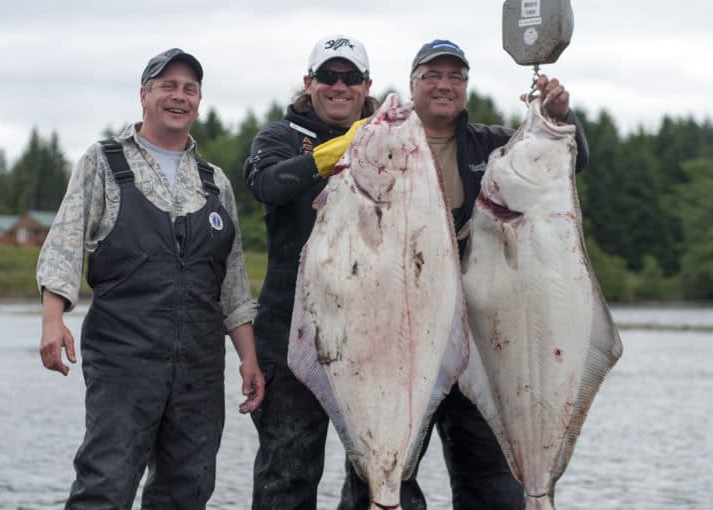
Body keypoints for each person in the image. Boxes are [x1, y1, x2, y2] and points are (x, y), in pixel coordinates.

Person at [341, 39, 591, 509]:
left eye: (456, 76)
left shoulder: (495, 143)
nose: (444, 85)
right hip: (404, 336)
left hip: (484, 337)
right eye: (432, 75)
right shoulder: (385, 139)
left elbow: (570, 161)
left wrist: (560, 117)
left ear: (466, 87)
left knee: (491, 483)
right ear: (412, 84)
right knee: (379, 475)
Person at [37, 47, 265, 509]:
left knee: (187, 491)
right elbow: (64, 242)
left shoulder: (214, 181)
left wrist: (249, 357)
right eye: (168, 86)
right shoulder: (103, 161)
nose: (179, 97)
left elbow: (233, 281)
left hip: (200, 370)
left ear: (198, 101)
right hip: (124, 360)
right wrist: (52, 318)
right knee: (105, 483)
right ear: (144, 95)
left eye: (189, 89)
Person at [243, 34, 427, 510]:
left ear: (366, 86)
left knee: (382, 473)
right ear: (309, 83)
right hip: (290, 332)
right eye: (328, 76)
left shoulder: (391, 139)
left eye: (350, 78)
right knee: (288, 472)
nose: (338, 86)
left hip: (376, 334)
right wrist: (334, 153)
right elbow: (267, 184)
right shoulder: (279, 137)